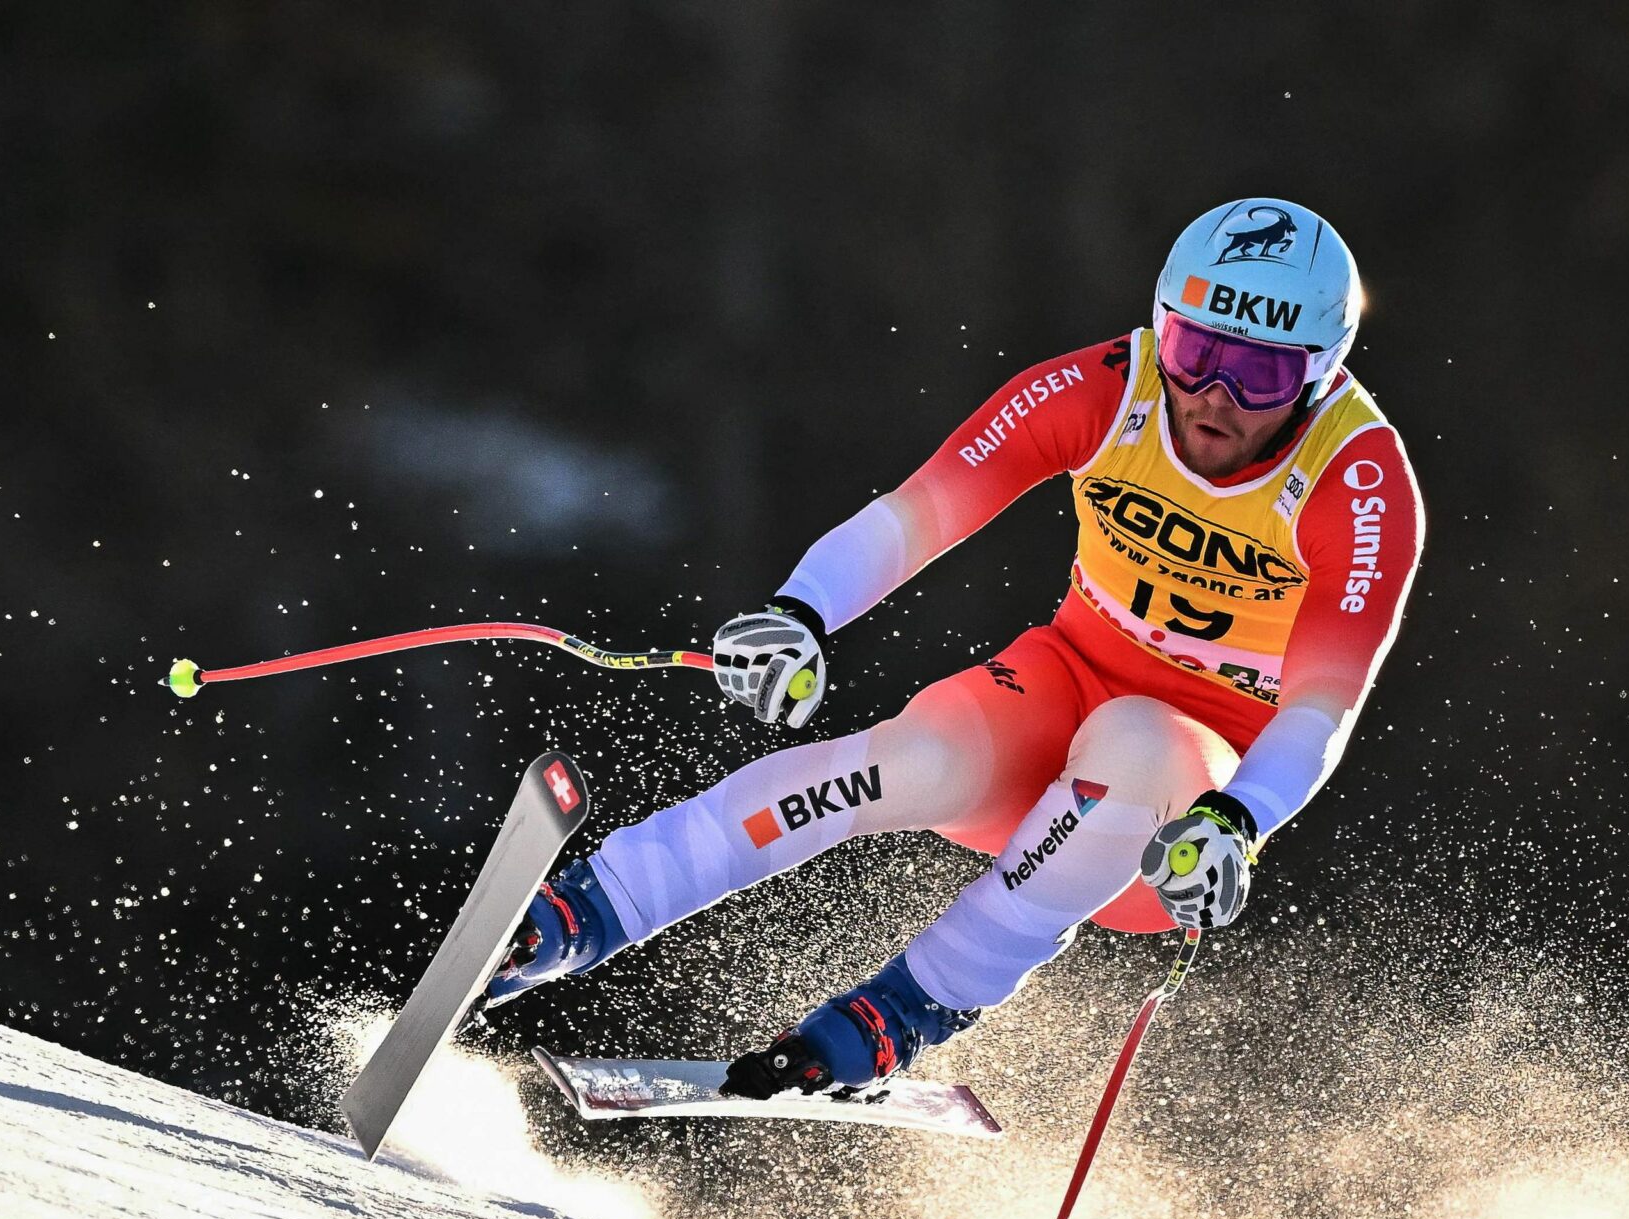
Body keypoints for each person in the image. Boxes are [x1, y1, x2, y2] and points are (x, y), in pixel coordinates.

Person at [490, 197, 1425, 1096]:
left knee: (1138, 741)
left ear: (1320, 374)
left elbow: (1322, 705)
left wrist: (1239, 821)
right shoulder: (1110, 388)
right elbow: (924, 510)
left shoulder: (1358, 479)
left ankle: (907, 1006)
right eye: (1193, 351)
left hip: (1173, 810)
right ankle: (590, 908)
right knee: (914, 759)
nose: (1212, 396)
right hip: (1060, 687)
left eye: (1257, 375)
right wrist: (801, 612)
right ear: (1160, 326)